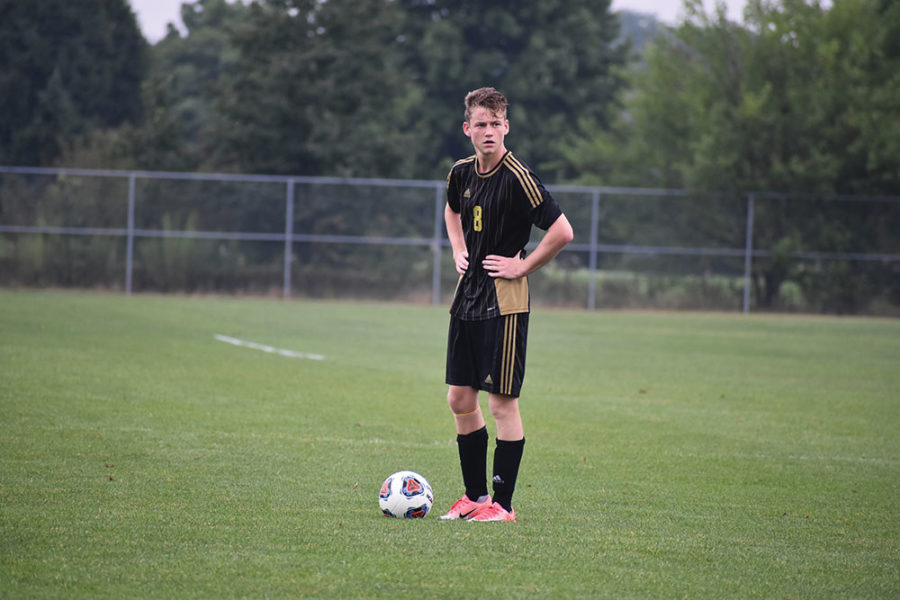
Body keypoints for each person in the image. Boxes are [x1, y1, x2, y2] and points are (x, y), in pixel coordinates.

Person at [439, 87, 574, 522]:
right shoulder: (460, 173)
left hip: (505, 303)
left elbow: (562, 231)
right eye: (481, 124)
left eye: (496, 124)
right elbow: (451, 211)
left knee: (501, 403)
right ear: (467, 130)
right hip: (467, 298)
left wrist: (523, 267)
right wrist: (458, 248)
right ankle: (475, 499)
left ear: (506, 127)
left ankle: (503, 506)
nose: (489, 131)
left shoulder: (519, 177)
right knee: (460, 398)